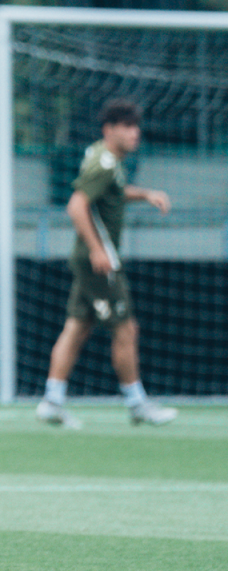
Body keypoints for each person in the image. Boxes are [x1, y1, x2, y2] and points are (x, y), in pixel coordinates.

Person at [37, 98, 175, 430]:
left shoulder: (105, 157)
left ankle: (52, 401)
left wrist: (144, 194)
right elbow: (76, 205)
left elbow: (111, 192)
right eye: (127, 126)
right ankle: (137, 404)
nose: (135, 133)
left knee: (77, 326)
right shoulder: (104, 163)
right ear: (108, 129)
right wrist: (99, 250)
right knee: (126, 328)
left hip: (87, 259)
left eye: (136, 126)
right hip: (98, 262)